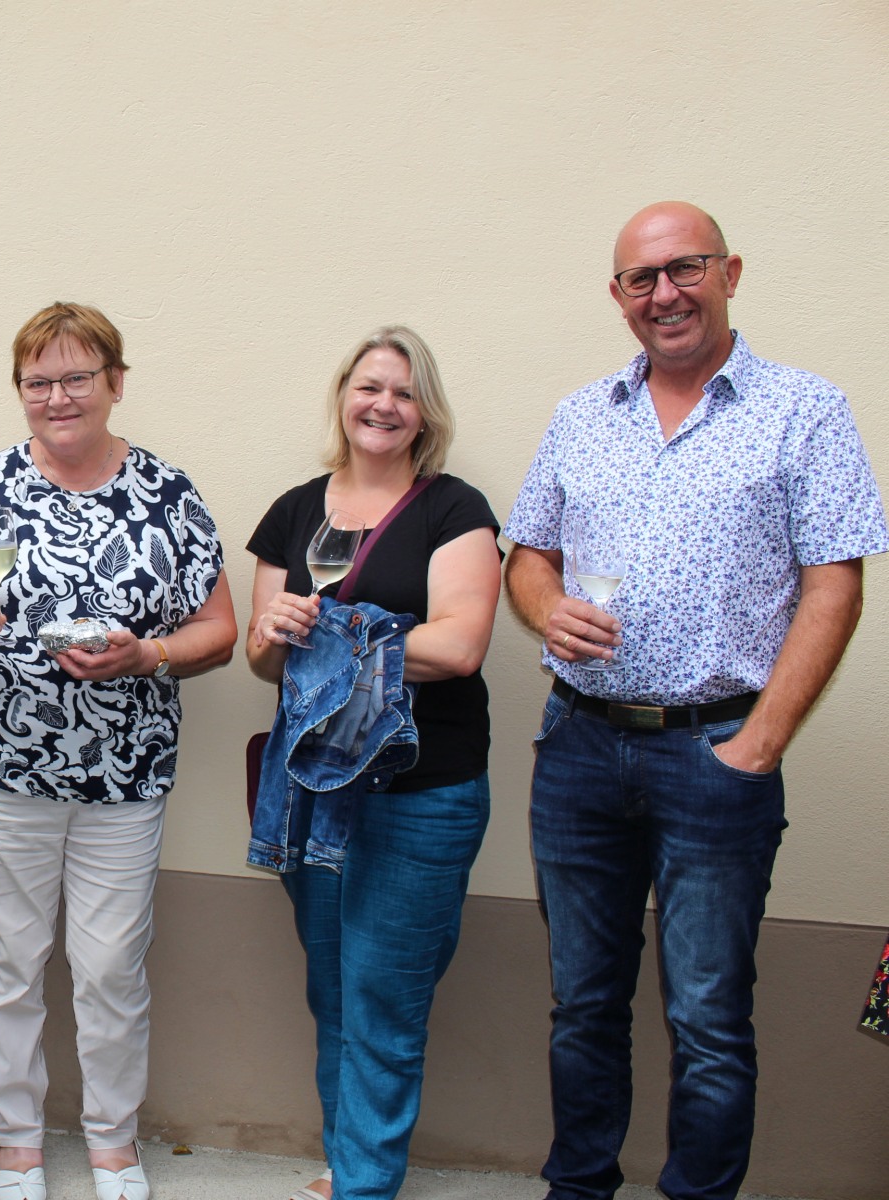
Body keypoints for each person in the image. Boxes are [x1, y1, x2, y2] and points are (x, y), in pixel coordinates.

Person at [504, 200, 887, 1200]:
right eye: (642, 278)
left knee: (709, 1021)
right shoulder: (583, 414)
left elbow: (835, 587)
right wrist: (546, 608)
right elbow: (528, 556)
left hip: (716, 751)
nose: (664, 293)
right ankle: (579, 1188)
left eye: (686, 268)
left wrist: (758, 745)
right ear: (618, 295)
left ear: (730, 273)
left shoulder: (804, 409)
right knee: (583, 1007)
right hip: (580, 748)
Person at [0, 301, 237, 1200]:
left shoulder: (167, 493)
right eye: (38, 381)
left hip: (126, 777)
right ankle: (15, 1140)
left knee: (111, 968)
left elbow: (219, 631)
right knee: (10, 962)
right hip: (4, 770)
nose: (58, 397)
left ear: (115, 383)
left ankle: (112, 1142)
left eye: (77, 377)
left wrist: (147, 654)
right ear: (20, 391)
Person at [245, 326, 501, 1200]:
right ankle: (351, 1166)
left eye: (403, 391)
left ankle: (364, 1186)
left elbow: (459, 647)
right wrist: (276, 631)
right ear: (343, 398)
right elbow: (266, 659)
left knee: (385, 1003)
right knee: (334, 995)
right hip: (315, 788)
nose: (383, 405)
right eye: (369, 387)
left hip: (420, 791)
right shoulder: (295, 511)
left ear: (425, 412)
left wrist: (332, 629)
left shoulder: (453, 509)